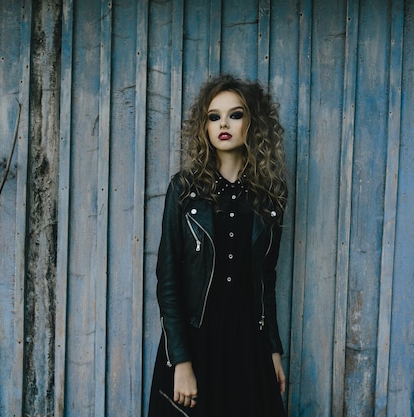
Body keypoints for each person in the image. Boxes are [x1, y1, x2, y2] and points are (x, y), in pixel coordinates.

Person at [148, 74, 288, 417]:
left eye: (235, 115)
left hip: (248, 345)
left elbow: (265, 281)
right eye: (214, 116)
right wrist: (180, 361)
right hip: (197, 342)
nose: (223, 123)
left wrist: (272, 351)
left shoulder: (271, 196)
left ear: (253, 124)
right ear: (205, 127)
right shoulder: (183, 190)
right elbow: (168, 283)